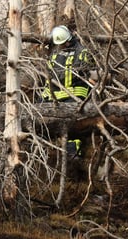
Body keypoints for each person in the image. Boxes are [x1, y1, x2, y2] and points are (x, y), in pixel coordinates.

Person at [41, 25, 95, 158]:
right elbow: (49, 78)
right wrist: (44, 96)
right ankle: (44, 149)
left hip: (76, 94)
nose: (63, 45)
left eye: (64, 43)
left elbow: (86, 71)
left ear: (69, 40)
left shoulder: (81, 53)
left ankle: (73, 152)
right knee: (39, 115)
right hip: (56, 95)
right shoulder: (54, 55)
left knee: (72, 123)